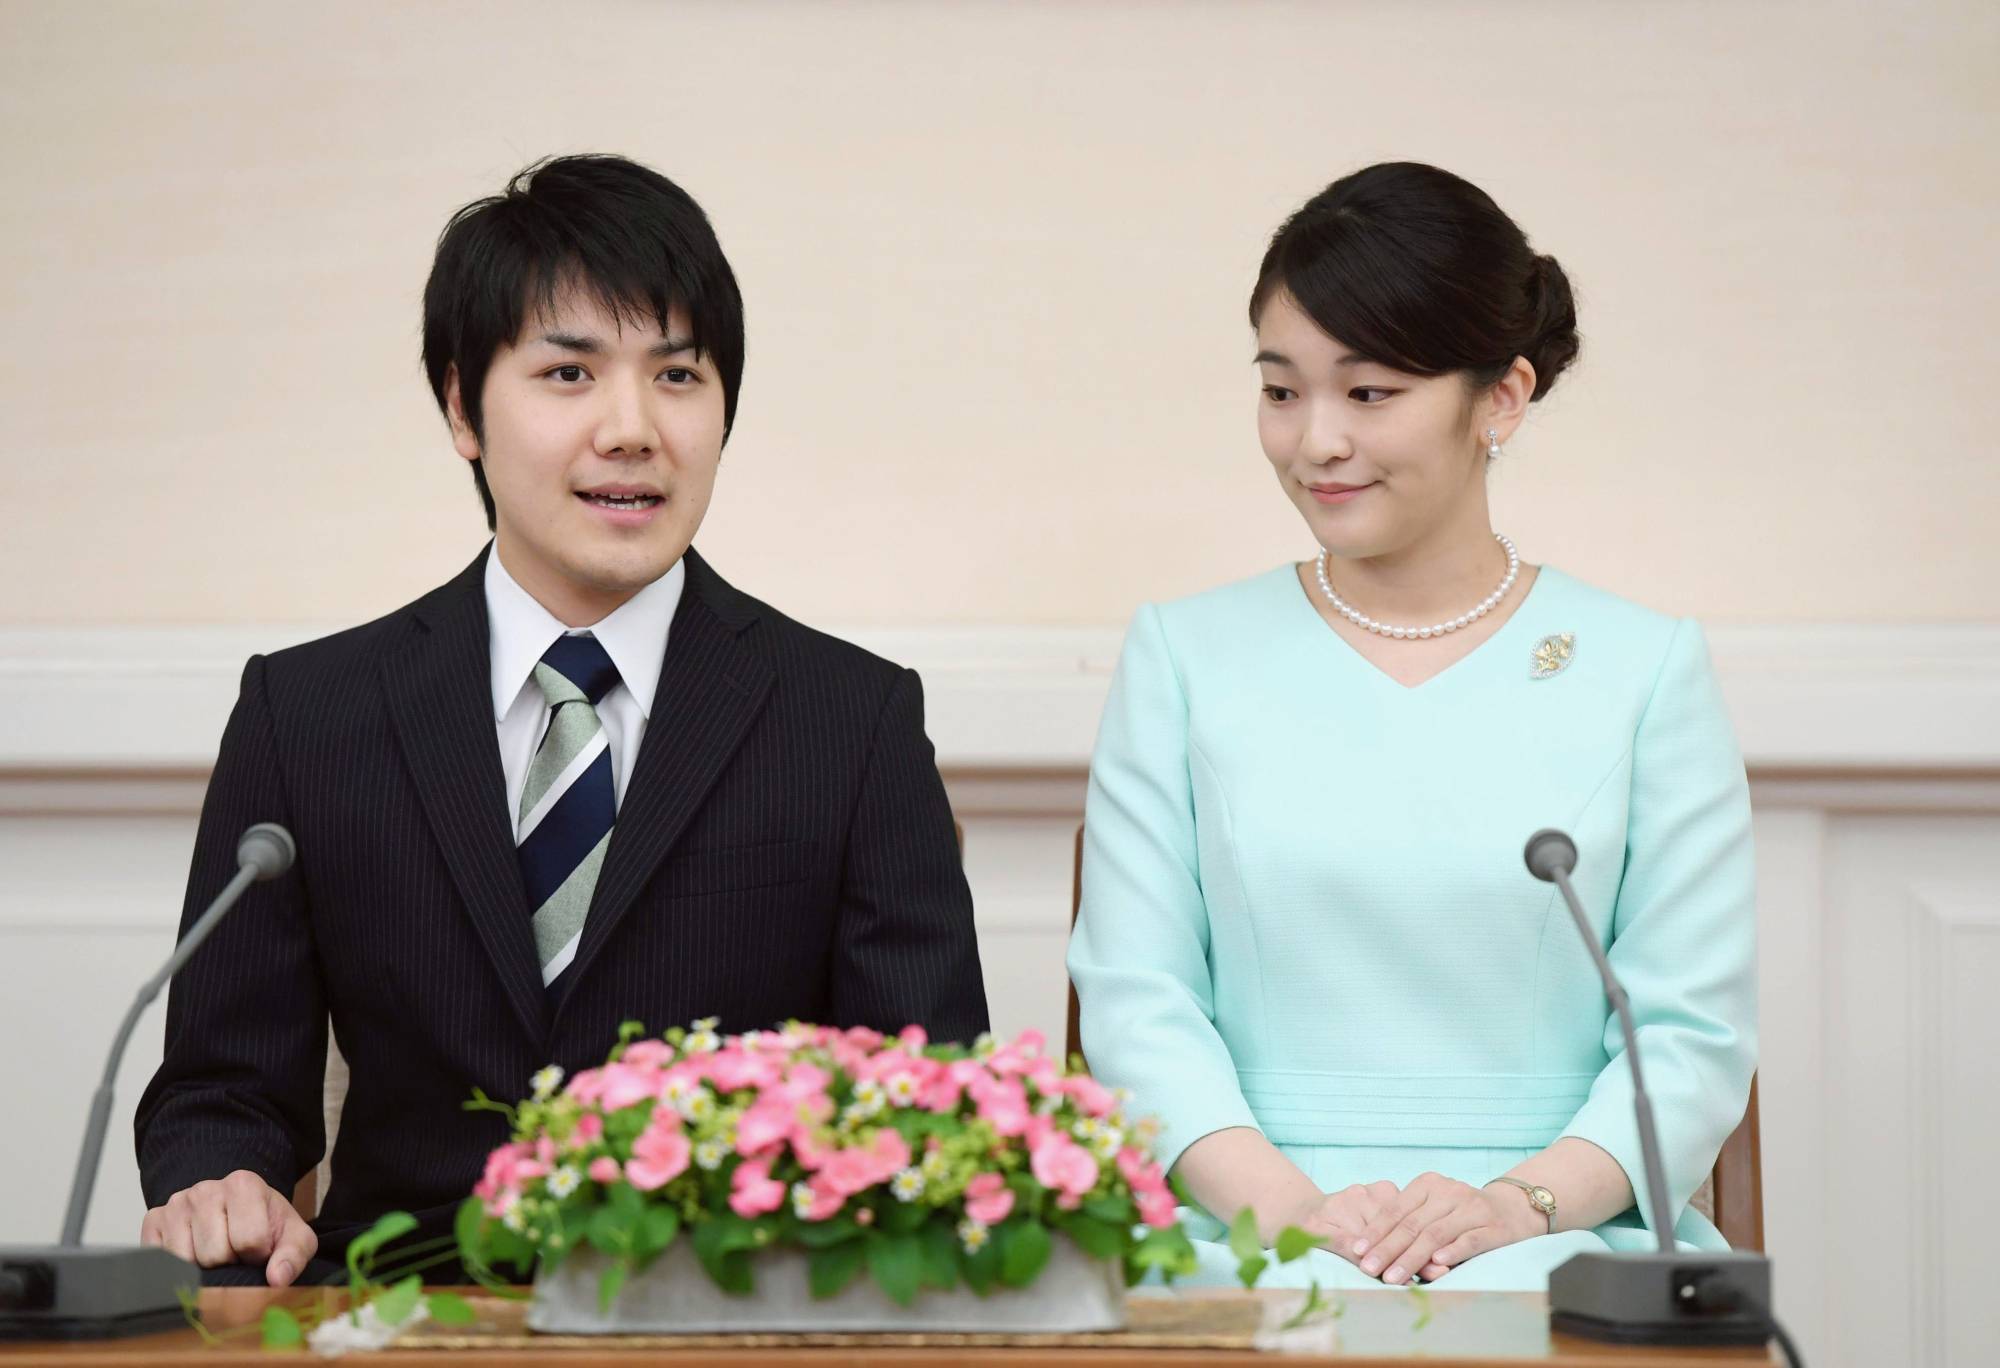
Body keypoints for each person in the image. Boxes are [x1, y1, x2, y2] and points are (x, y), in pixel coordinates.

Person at [134, 154, 988, 1287]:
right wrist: (224, 1178)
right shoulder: (309, 716)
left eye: (677, 375)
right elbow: (221, 1085)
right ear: (460, 407)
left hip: (728, 1321)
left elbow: (924, 1099)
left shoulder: (850, 719)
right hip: (404, 1317)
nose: (632, 429)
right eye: (568, 374)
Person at [1068, 162, 1755, 1291]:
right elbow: (1137, 1004)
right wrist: (1296, 1214)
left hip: (1557, 1228)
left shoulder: (1642, 667)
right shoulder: (1183, 656)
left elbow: (1687, 1036)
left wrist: (1514, 1204)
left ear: (1500, 397)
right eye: (1280, 390)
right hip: (1239, 1226)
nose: (1314, 442)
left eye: (1369, 392)